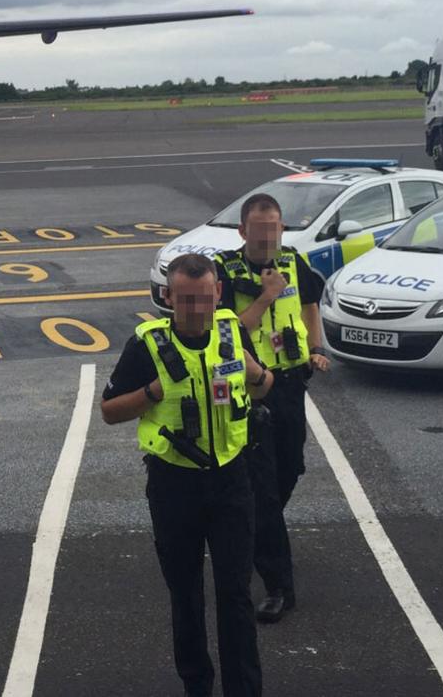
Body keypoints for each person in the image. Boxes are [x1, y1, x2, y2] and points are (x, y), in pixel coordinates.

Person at [102, 252, 274, 697]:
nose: (196, 310)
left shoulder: (234, 332)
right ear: (167, 297)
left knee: (235, 595)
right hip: (174, 485)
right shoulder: (147, 343)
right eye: (185, 300)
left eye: (203, 299)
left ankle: (244, 689)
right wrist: (152, 392)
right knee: (186, 595)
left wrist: (259, 376)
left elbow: (261, 387)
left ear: (217, 292)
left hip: (232, 481)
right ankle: (197, 685)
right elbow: (109, 411)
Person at [213, 193, 330, 624]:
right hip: (253, 387)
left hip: (292, 385)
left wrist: (317, 348)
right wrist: (265, 297)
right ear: (243, 231)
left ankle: (249, 530)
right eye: (259, 229)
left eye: (275, 227)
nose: (268, 236)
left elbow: (310, 305)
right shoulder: (225, 272)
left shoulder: (295, 262)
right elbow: (227, 330)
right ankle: (279, 585)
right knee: (262, 489)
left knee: (289, 471)